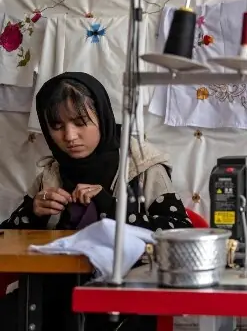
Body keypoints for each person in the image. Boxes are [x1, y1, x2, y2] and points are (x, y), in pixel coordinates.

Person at [0, 72, 193, 330]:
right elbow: (7, 238)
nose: (69, 136)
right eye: (57, 127)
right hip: (53, 298)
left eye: (80, 122)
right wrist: (33, 211)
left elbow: (180, 235)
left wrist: (109, 206)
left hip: (124, 298)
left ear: (102, 118)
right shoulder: (51, 174)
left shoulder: (141, 166)